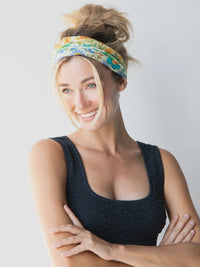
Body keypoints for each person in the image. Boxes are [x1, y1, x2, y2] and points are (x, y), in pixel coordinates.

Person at [28, 4, 200, 267]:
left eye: (90, 85)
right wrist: (161, 259)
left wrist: (112, 251)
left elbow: (196, 257)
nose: (80, 103)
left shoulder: (162, 163)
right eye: (66, 90)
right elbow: (71, 264)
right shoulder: (51, 155)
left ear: (120, 80)